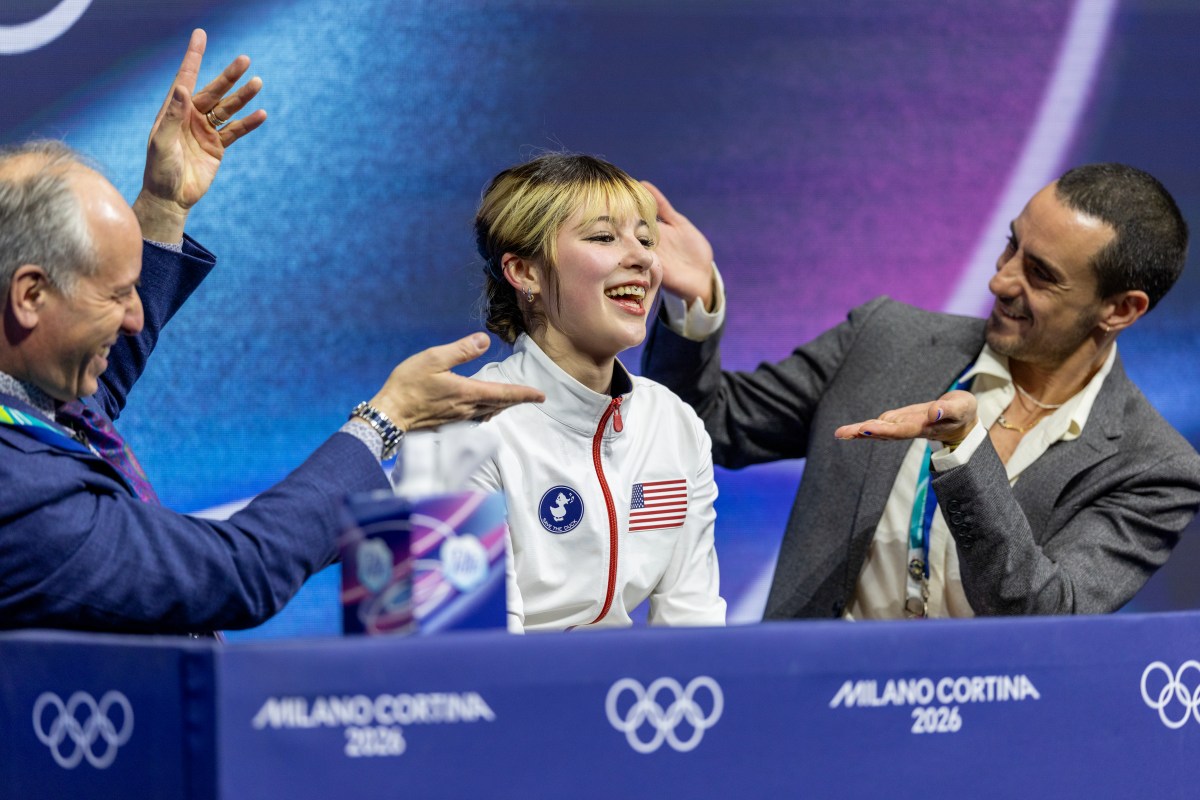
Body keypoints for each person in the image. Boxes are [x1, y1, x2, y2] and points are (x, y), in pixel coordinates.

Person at [0, 30, 542, 634]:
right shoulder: (18, 490)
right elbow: (236, 572)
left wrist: (161, 205)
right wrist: (384, 423)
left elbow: (88, 392)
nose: (135, 317)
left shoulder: (30, 396)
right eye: (115, 293)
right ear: (30, 296)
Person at [640, 163, 1200, 619]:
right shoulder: (886, 340)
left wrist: (965, 454)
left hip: (978, 742)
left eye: (1040, 274)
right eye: (1011, 247)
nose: (1000, 280)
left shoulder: (1153, 468)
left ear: (1120, 310)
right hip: (807, 710)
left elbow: (1044, 614)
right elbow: (711, 428)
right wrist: (692, 308)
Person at [463, 153, 725, 631]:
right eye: (604, 237)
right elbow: (472, 653)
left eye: (646, 240)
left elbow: (694, 624)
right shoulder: (466, 425)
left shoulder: (672, 421)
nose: (644, 258)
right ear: (525, 272)